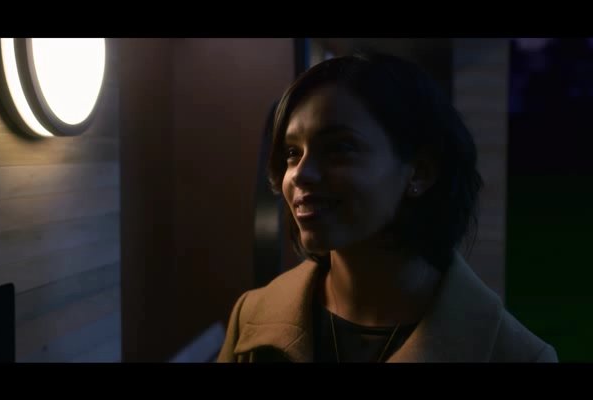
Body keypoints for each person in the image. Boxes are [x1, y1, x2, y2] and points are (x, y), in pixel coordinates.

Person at [217, 49, 558, 362]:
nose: (300, 174)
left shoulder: (516, 355)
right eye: (293, 152)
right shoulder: (252, 316)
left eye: (338, 148)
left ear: (419, 172)